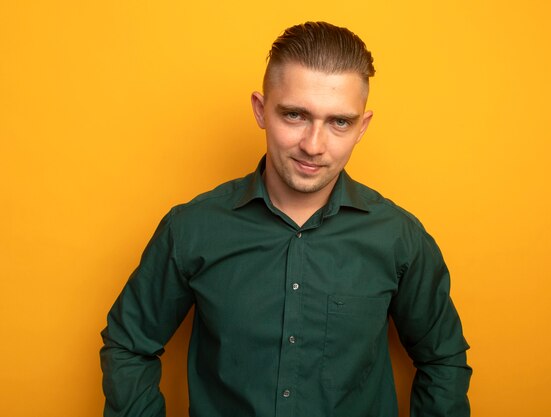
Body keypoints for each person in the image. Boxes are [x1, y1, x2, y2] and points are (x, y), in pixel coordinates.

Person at [100, 21, 471, 417]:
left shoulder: (399, 238)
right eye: (295, 115)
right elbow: (129, 345)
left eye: (339, 122)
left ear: (361, 127)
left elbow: (443, 359)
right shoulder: (192, 229)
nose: (313, 146)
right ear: (261, 111)